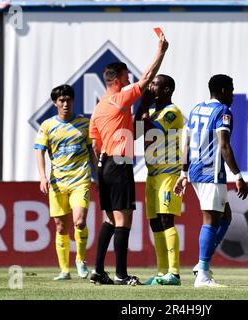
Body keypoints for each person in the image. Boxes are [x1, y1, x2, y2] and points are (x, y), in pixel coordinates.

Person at [88, 33, 169, 285]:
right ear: (116, 80)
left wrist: (99, 171)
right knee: (124, 220)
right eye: (125, 76)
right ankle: (121, 275)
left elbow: (95, 144)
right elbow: (146, 79)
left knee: (110, 219)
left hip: (104, 165)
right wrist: (162, 51)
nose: (129, 80)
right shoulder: (120, 98)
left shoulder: (99, 107)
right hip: (119, 164)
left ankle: (99, 271)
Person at [174, 74, 248, 288]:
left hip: (197, 171)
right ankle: (203, 274)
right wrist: (238, 176)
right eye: (231, 90)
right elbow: (224, 145)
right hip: (211, 173)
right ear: (224, 90)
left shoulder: (197, 109)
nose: (233, 95)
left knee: (225, 216)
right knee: (211, 220)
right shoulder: (223, 112)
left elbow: (186, 142)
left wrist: (183, 173)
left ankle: (201, 264)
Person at [35, 84, 92, 281]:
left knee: (80, 221)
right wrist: (43, 176)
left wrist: (98, 174)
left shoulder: (85, 124)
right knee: (61, 227)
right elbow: (39, 151)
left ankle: (81, 260)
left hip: (80, 180)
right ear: (55, 103)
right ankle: (64, 270)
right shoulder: (48, 126)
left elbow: (92, 151)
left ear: (73, 101)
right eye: (61, 100)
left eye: (68, 100)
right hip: (58, 182)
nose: (65, 103)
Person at [134, 74, 183, 286]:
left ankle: (175, 272)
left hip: (169, 173)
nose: (151, 87)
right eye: (151, 83)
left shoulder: (172, 112)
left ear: (167, 90)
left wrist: (145, 109)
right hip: (152, 174)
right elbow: (136, 131)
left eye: (156, 84)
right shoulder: (153, 111)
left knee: (166, 220)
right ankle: (162, 272)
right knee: (154, 223)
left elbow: (153, 132)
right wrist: (143, 104)